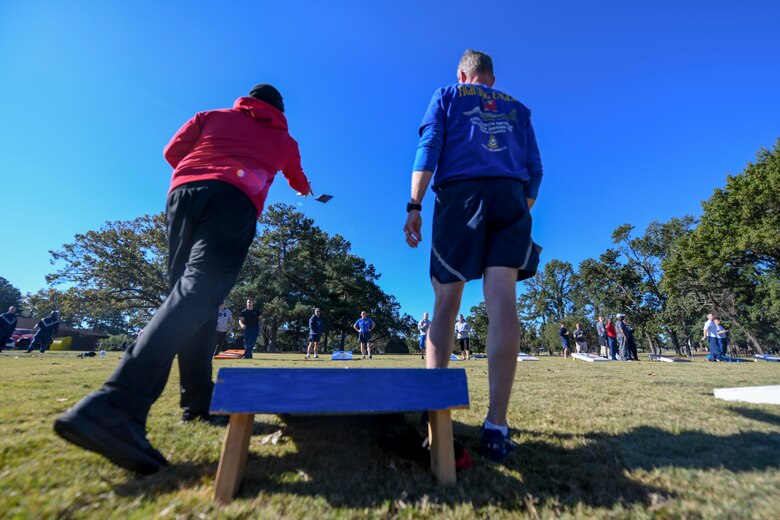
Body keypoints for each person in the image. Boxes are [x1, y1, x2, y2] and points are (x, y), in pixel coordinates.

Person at [54, 84, 312, 474]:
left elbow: (172, 152)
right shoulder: (284, 139)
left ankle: (197, 404)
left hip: (184, 194)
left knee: (194, 300)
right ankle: (116, 404)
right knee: (198, 293)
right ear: (280, 109)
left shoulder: (211, 116)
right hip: (234, 200)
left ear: (247, 100)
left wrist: (198, 172)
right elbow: (296, 177)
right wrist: (304, 188)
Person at [403, 49, 543, 462]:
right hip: (511, 195)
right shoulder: (519, 108)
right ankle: (496, 427)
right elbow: (536, 169)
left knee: (446, 302)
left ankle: (435, 417)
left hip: (461, 195)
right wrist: (519, 208)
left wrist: (414, 204)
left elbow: (431, 144)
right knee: (502, 302)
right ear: (491, 80)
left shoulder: (448, 93)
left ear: (463, 74)